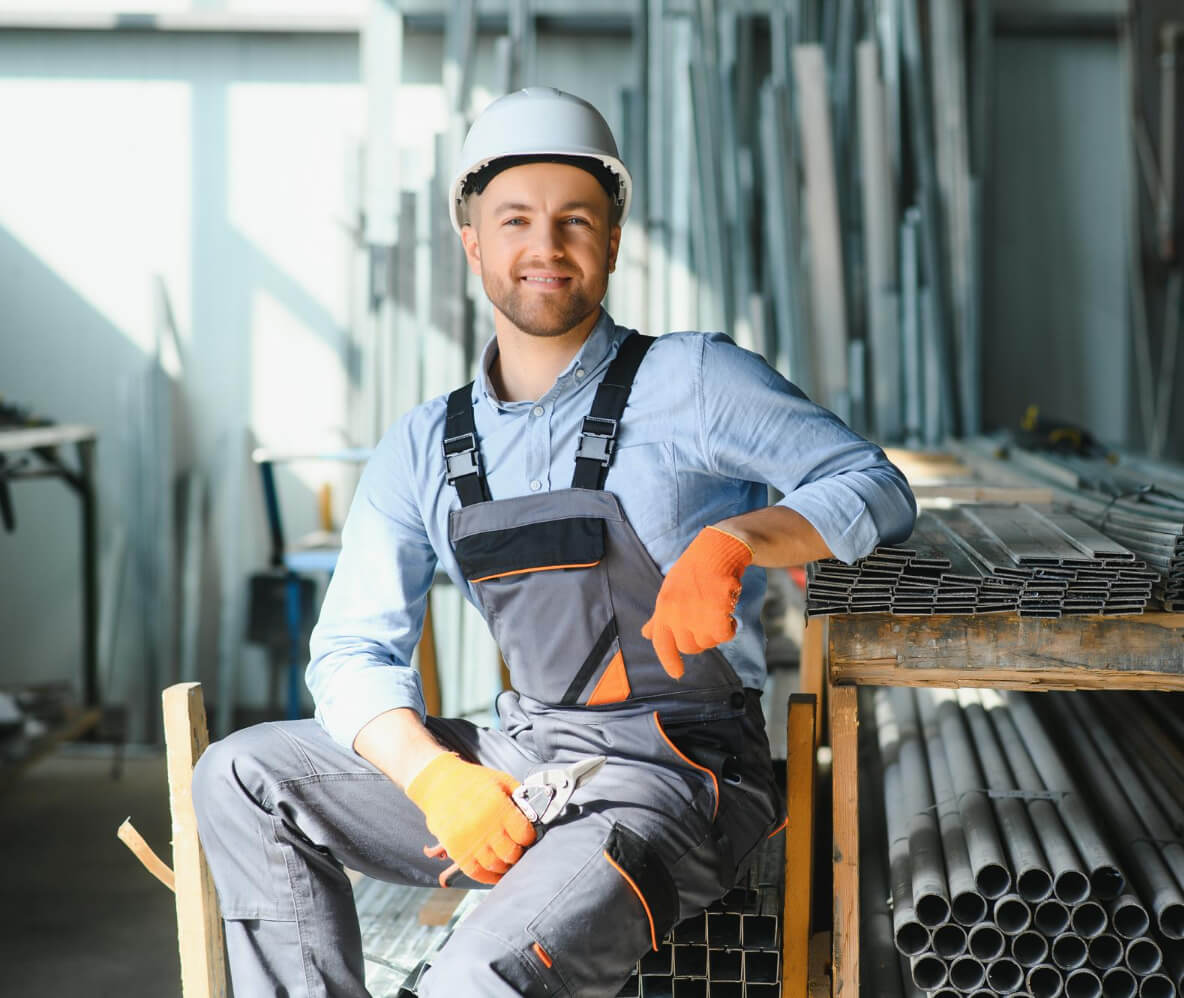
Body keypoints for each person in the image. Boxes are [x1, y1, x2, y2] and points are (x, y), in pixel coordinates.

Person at [192, 86, 916, 997]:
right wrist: (437, 783)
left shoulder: (693, 379)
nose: (546, 246)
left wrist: (737, 539)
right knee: (243, 776)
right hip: (528, 757)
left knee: (472, 978)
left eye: (577, 220)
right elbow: (349, 650)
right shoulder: (424, 445)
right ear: (474, 243)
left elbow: (875, 486)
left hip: (676, 775)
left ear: (612, 242)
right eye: (516, 220)